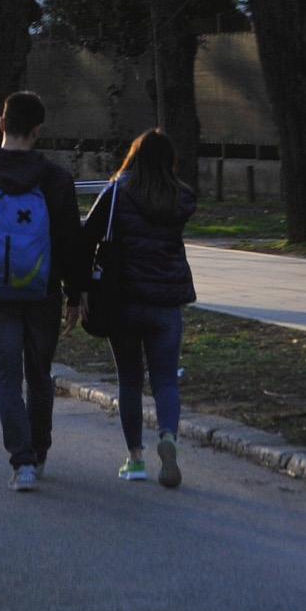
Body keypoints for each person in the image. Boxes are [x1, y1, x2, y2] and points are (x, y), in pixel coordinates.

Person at [0, 90, 89, 492]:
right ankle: (39, 453)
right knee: (39, 377)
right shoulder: (56, 180)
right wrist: (74, 294)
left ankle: (21, 463)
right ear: (38, 131)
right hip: (43, 293)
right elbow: (71, 241)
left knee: (6, 380)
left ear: (2, 124)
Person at [84, 129, 196, 488]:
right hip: (167, 301)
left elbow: (89, 235)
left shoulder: (118, 193)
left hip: (124, 300)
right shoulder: (181, 197)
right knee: (165, 379)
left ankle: (134, 458)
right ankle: (168, 437)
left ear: (133, 156)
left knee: (130, 380)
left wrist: (80, 289)